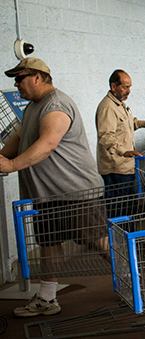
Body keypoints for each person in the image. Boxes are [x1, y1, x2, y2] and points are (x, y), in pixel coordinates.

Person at [0, 58, 103, 317]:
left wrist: (11, 165)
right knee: (49, 243)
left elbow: (48, 143)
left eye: (20, 78)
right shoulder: (33, 108)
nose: (16, 84)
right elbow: (19, 137)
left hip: (75, 192)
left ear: (37, 77)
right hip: (48, 194)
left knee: (98, 241)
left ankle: (133, 280)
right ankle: (47, 298)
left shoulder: (56, 105)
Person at [96, 69, 145, 201]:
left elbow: (127, 125)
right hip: (116, 168)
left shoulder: (119, 105)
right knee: (119, 206)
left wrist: (144, 123)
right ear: (114, 86)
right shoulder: (108, 107)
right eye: (125, 87)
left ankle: (128, 222)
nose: (129, 91)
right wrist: (124, 152)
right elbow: (106, 137)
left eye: (129, 87)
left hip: (125, 165)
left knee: (129, 204)